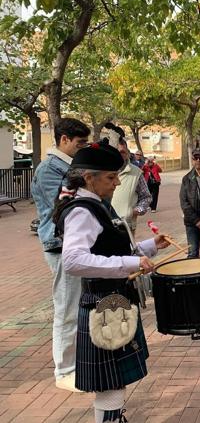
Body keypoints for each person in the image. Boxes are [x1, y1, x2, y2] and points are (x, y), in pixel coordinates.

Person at [54, 139, 170, 422]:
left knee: (115, 378)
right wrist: (130, 262)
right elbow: (73, 261)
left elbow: (110, 251)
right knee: (109, 380)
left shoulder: (99, 205)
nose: (117, 182)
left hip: (113, 301)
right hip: (103, 303)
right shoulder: (82, 211)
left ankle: (113, 417)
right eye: (110, 177)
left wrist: (148, 247)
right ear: (89, 178)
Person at [31, 118, 90, 391]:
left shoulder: (69, 166)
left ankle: (77, 363)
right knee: (66, 308)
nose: (82, 148)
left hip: (74, 245)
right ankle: (64, 370)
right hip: (60, 245)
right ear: (63, 139)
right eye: (79, 144)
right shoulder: (49, 170)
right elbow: (64, 206)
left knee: (77, 307)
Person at [113, 139, 152, 233]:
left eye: (122, 152)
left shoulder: (136, 172)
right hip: (104, 225)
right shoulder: (102, 171)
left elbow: (146, 197)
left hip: (126, 226)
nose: (119, 155)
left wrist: (134, 211)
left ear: (127, 153)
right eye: (116, 151)